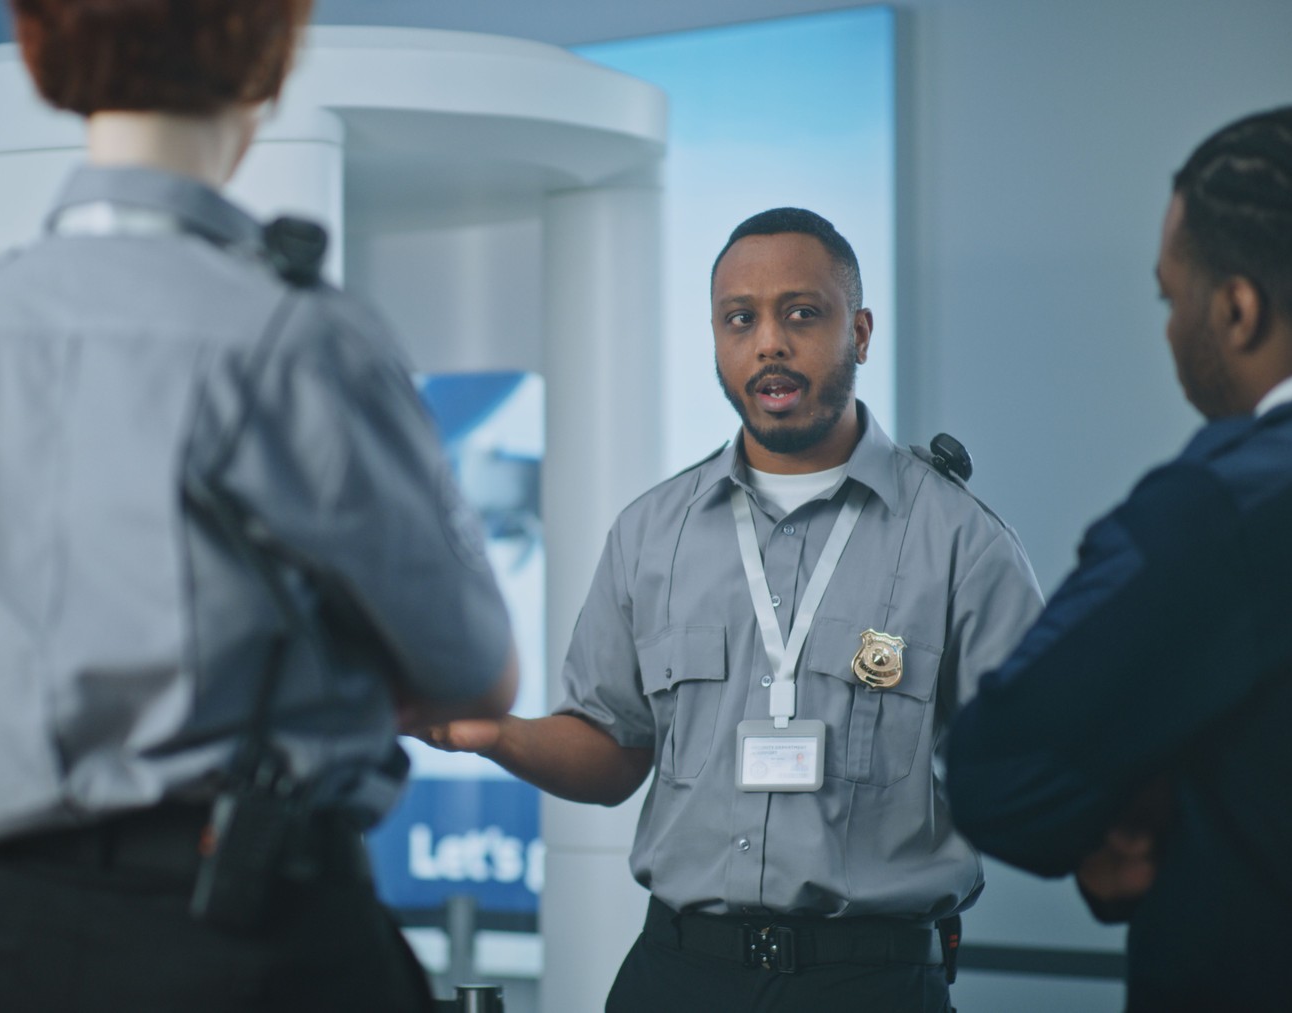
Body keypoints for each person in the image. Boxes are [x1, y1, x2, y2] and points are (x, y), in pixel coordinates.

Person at [0, 1, 518, 1010]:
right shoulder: (296, 338)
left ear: (42, 47)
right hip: (255, 933)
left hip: (13, 939)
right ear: (265, 55)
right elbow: (477, 669)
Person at [421, 209, 1045, 1012]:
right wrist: (491, 734)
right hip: (677, 973)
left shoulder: (962, 542)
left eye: (802, 313)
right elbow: (612, 750)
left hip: (868, 981)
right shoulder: (652, 531)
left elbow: (1034, 764)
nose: (769, 342)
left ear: (858, 332)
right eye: (739, 319)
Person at [946, 105, 1292, 1010]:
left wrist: (1140, 808)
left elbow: (995, 771)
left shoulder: (1228, 503)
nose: (1171, 328)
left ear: (1238, 308)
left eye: (1172, 298)